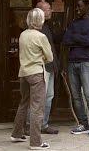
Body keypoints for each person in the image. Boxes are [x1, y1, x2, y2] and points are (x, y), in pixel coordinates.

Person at [11, 8, 53, 150]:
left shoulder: (23, 35)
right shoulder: (41, 37)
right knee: (37, 108)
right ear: (40, 20)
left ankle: (16, 134)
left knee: (23, 103)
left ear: (29, 20)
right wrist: (40, 58)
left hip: (23, 73)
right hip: (36, 73)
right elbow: (50, 57)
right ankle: (36, 142)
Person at [62, 0, 89, 137]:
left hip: (86, 62)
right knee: (76, 96)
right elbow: (66, 40)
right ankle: (83, 124)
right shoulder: (73, 23)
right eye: (76, 6)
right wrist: (81, 38)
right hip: (72, 62)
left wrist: (75, 37)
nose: (77, 9)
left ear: (87, 6)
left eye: (80, 6)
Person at [24, 1, 59, 135]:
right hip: (41, 69)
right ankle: (29, 126)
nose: (51, 11)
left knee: (49, 96)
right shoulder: (35, 30)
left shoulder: (46, 27)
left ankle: (43, 124)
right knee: (37, 98)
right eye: (48, 9)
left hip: (50, 68)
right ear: (40, 12)